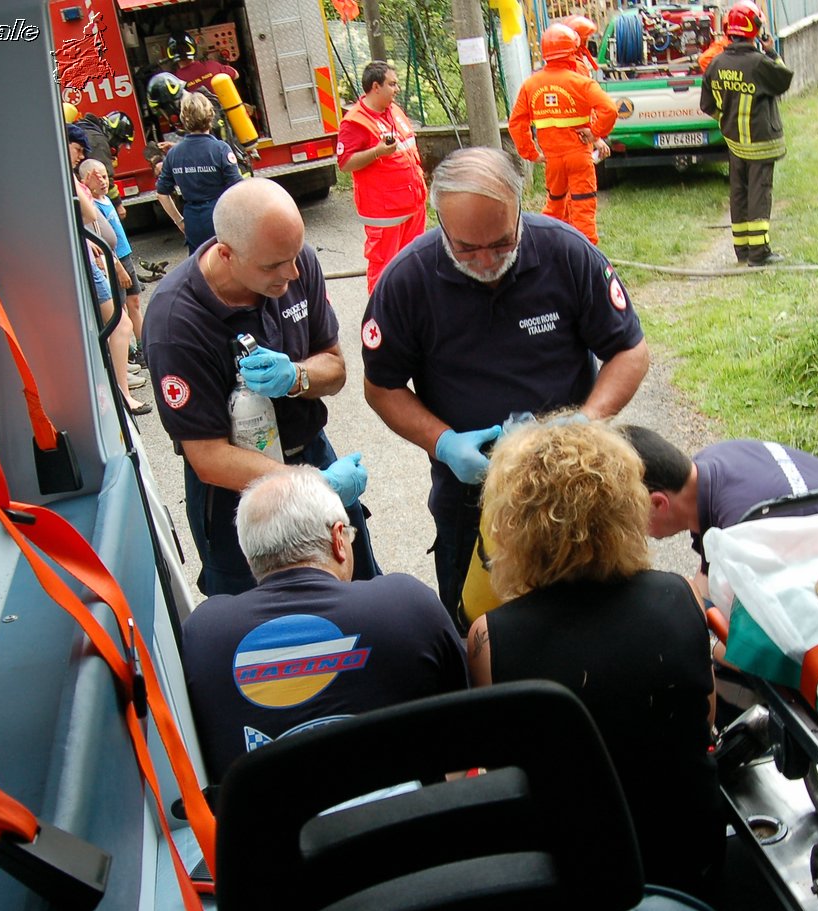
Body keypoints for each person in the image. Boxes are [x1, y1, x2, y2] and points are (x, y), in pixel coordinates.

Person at [361, 147, 649, 627]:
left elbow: (630, 352)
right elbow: (381, 386)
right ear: (440, 223)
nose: (486, 260)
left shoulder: (566, 253)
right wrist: (443, 442)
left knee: (593, 622)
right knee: (476, 627)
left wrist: (588, 422)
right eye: (466, 248)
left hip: (569, 487)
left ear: (519, 208)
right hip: (472, 497)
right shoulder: (407, 281)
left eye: (500, 242)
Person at [464, 418, 724, 895]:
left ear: (514, 525)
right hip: (688, 861)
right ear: (628, 506)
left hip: (568, 880)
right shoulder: (681, 596)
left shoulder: (491, 639)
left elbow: (501, 765)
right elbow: (702, 725)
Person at [145, 178, 377, 597]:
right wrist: (315, 487)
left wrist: (297, 377)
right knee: (266, 620)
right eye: (273, 266)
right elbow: (209, 457)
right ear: (226, 253)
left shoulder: (293, 261)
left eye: (294, 257)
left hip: (310, 452)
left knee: (356, 597)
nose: (291, 274)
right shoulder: (175, 323)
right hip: (240, 496)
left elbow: (336, 369)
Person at [182, 467, 467, 778]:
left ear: (250, 559)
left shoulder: (203, 634)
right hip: (404, 819)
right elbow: (466, 725)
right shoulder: (407, 604)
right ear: (338, 540)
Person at [616, 425, 818, 576]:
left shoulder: (743, 528)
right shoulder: (712, 461)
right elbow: (706, 582)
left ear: (657, 504)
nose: (636, 532)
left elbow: (762, 650)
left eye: (628, 518)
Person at [508, 23, 618, 245]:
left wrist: (531, 153)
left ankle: (547, 248)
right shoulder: (581, 82)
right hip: (579, 156)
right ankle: (586, 255)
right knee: (583, 206)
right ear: (573, 49)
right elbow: (610, 110)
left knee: (555, 205)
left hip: (552, 159)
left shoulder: (531, 85)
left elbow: (516, 123)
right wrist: (595, 133)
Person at [700, 1, 793, 265]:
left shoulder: (716, 63)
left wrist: (726, 120)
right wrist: (772, 51)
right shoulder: (760, 63)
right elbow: (784, 78)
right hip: (761, 142)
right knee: (759, 192)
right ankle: (759, 253)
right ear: (755, 29)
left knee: (739, 192)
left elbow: (707, 105)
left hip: (734, 143)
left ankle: (742, 250)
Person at [336, 61, 427, 292]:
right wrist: (377, 151)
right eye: (392, 84)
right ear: (376, 87)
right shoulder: (355, 121)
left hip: (412, 206)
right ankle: (381, 319)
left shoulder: (394, 110)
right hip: (385, 213)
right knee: (384, 269)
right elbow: (345, 163)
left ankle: (412, 314)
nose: (397, 89)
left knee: (414, 264)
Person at [155, 91, 244, 255]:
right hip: (220, 215)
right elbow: (238, 189)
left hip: (192, 219)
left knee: (201, 268)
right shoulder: (220, 149)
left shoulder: (174, 154)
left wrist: (180, 221)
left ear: (183, 118)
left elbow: (162, 194)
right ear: (210, 116)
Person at [79, 158, 145, 350]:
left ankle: (142, 345)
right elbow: (101, 239)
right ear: (85, 181)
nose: (103, 181)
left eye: (105, 176)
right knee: (120, 307)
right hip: (114, 261)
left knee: (135, 301)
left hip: (125, 255)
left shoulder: (107, 200)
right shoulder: (93, 208)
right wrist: (118, 267)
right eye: (97, 177)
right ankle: (128, 349)